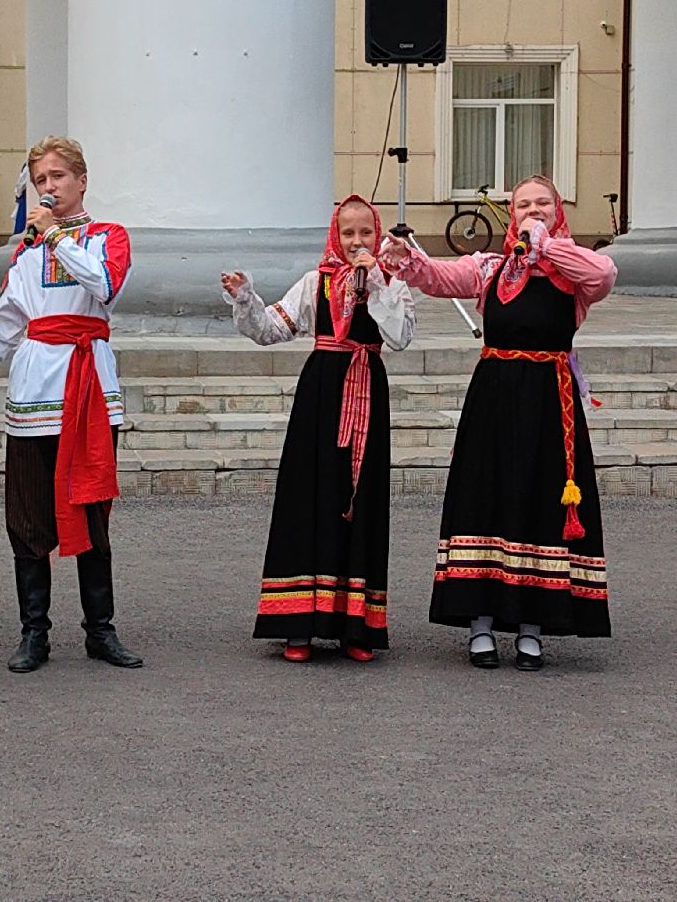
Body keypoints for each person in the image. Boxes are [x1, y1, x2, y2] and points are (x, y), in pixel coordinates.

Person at [0, 135, 143, 674]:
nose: (49, 187)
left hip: (89, 388)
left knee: (91, 506)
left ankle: (101, 631)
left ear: (82, 181)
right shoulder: (24, 255)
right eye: (40, 180)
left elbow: (105, 285)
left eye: (58, 177)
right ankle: (34, 633)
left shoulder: (106, 237)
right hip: (35, 389)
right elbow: (4, 328)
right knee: (26, 513)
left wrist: (56, 238)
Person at [379, 174, 616, 671]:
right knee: (485, 496)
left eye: (542, 203)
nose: (533, 210)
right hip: (494, 396)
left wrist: (544, 246)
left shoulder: (576, 269)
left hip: (552, 401)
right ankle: (480, 621)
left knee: (539, 500)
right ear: (511, 212)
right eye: (523, 204)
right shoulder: (491, 268)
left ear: (557, 209)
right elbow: (441, 278)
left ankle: (532, 627)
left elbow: (603, 276)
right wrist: (409, 259)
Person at [221, 195, 414, 663]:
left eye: (365, 232)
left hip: (366, 387)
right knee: (310, 498)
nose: (356, 242)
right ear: (335, 234)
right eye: (348, 233)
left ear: (378, 234)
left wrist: (377, 286)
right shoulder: (316, 283)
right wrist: (246, 298)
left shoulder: (393, 284)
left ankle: (356, 627)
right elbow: (270, 330)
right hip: (321, 395)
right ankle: (298, 624)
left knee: (359, 501)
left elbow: (401, 337)